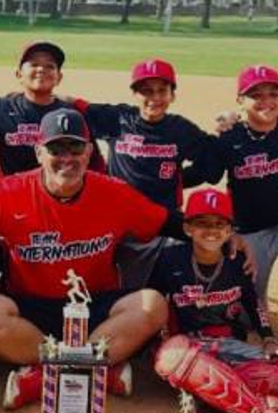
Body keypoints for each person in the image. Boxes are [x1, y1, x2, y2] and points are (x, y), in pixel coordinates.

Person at [0, 109, 181, 409]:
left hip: (95, 308)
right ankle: (95, 370)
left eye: (75, 148)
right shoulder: (11, 192)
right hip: (28, 310)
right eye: (56, 148)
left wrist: (226, 233)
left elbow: (168, 222)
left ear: (89, 152)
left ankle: (43, 376)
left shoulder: (113, 193)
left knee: (153, 306)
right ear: (38, 152)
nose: (67, 158)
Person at [150, 189, 278, 413]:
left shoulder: (238, 261)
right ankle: (262, 412)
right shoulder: (171, 259)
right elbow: (155, 302)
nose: (211, 231)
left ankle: (203, 393)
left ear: (230, 230)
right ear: (187, 228)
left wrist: (269, 338)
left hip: (230, 347)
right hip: (189, 348)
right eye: (202, 223)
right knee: (171, 357)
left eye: (219, 224)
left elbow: (254, 303)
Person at [192, 64, 278, 356]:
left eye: (273, 93)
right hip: (248, 232)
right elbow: (205, 174)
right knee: (250, 316)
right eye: (256, 95)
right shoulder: (229, 138)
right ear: (240, 101)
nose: (266, 101)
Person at [84, 58, 216, 289]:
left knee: (190, 256)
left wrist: (178, 179)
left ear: (172, 95)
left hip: (165, 218)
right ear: (134, 94)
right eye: (146, 91)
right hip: (120, 217)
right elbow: (74, 108)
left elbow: (211, 165)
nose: (154, 98)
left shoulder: (180, 128)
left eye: (162, 90)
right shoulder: (118, 118)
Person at [0, 41, 106, 178]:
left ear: (59, 77)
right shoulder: (0, 109)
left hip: (58, 198)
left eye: (50, 66)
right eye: (33, 64)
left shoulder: (73, 114)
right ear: (19, 74)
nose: (41, 69)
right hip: (13, 198)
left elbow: (95, 165)